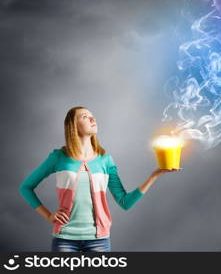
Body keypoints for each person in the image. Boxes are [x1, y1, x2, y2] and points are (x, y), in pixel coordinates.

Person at [19, 106, 181, 252]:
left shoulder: (105, 159)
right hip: (65, 240)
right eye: (84, 116)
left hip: (99, 241)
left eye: (92, 116)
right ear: (73, 125)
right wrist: (48, 215)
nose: (92, 118)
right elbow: (25, 187)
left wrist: (155, 175)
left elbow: (125, 202)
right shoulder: (59, 157)